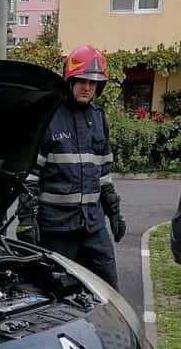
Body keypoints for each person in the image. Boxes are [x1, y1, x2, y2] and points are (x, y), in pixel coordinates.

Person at [27, 44, 126, 287]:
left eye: (93, 83)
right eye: (81, 80)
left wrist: (113, 211)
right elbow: (31, 176)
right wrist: (26, 218)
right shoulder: (49, 118)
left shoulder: (98, 119)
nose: (87, 87)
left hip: (92, 226)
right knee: (56, 294)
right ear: (69, 81)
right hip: (56, 229)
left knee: (108, 290)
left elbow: (103, 173)